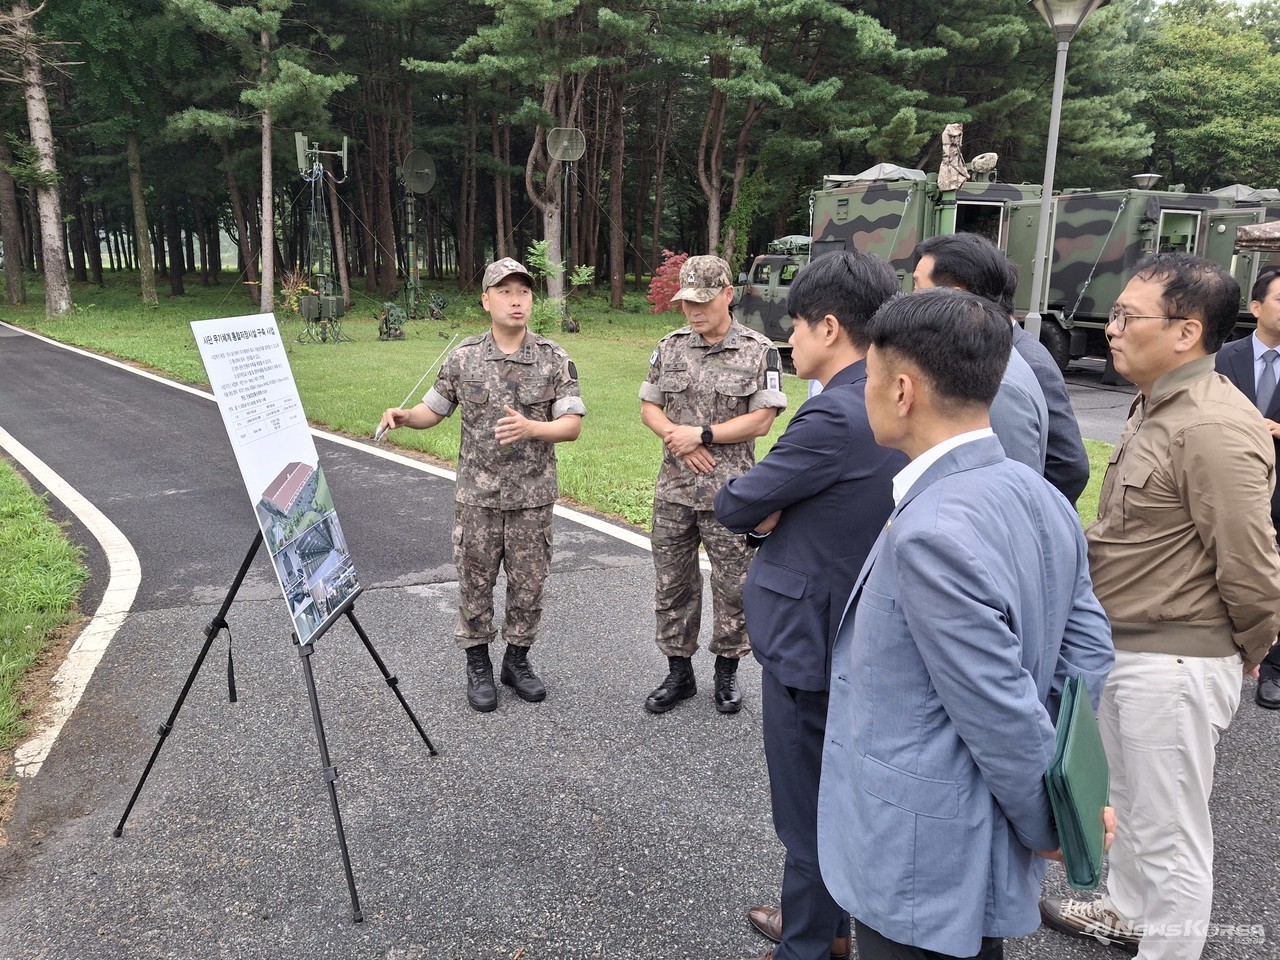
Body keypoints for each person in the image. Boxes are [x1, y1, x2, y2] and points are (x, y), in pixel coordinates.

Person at [816, 288, 1114, 960]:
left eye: (866, 376)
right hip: (971, 837)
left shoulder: (932, 530)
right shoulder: (1039, 493)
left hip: (922, 852)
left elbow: (998, 704)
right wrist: (1064, 777)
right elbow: (1087, 653)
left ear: (901, 390)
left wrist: (1053, 821)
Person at [1041, 253, 1280, 960]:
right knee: (1137, 811)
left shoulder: (1211, 424)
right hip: (1132, 648)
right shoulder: (1163, 402)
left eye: (1125, 317)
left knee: (1171, 833)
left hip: (1175, 657)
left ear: (1186, 332)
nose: (1110, 329)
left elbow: (1254, 567)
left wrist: (1247, 651)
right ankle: (1126, 911)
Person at [714, 251, 905, 960]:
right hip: (853, 630)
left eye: (794, 325)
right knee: (837, 797)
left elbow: (741, 499)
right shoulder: (889, 395)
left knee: (809, 814)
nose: (787, 341)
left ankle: (808, 946)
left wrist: (766, 510)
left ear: (829, 327)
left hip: (810, 641)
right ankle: (825, 928)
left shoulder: (833, 412)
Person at [378, 258, 586, 713]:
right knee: (476, 584)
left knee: (529, 585)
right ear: (486, 299)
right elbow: (433, 411)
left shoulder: (554, 358)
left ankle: (516, 660)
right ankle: (478, 665)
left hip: (532, 498)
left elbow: (570, 425)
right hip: (478, 499)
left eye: (525, 292)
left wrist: (533, 429)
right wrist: (404, 416)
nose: (517, 300)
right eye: (506, 291)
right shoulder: (463, 358)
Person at [639, 254, 787, 714]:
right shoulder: (670, 347)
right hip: (675, 492)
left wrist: (702, 435)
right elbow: (650, 406)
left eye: (703, 301)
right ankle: (678, 674)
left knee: (733, 586)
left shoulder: (761, 350)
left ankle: (727, 673)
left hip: (732, 495)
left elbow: (762, 421)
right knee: (672, 585)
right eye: (687, 302)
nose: (694, 311)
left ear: (729, 294)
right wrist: (677, 438)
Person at [911, 235, 1055, 481]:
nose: (911, 297)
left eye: (917, 286)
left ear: (954, 296)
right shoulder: (977, 361)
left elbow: (1010, 491)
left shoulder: (999, 384)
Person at [1214, 265, 1280, 709]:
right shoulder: (1223, 357)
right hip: (1233, 490)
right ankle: (1231, 653)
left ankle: (1273, 668)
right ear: (1256, 307)